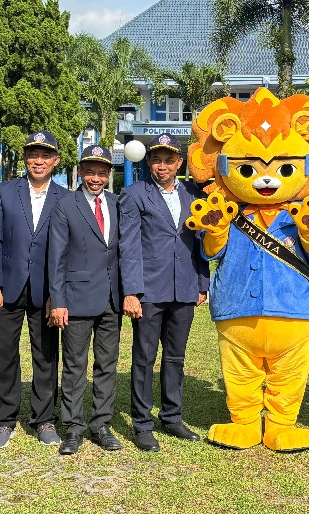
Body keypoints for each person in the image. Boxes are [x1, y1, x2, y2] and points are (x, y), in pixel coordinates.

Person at [118, 134, 210, 452]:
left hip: (183, 289)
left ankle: (171, 416)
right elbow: (128, 246)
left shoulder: (193, 194)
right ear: (149, 162)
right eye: (156, 160)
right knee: (143, 359)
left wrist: (202, 282)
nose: (162, 166)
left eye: (168, 160)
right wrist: (131, 291)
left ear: (179, 163)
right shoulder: (133, 195)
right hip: (149, 291)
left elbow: (200, 243)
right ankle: (142, 424)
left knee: (175, 358)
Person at [0, 131, 67, 448]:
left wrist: (56, 294)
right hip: (7, 289)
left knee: (46, 356)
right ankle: (4, 420)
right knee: (3, 355)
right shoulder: (4, 192)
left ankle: (44, 419)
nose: (39, 160)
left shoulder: (65, 197)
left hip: (46, 292)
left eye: (46, 155)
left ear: (55, 161)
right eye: (33, 154)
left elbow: (66, 251)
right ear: (25, 158)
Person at [49, 145, 121, 455]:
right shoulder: (66, 205)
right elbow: (56, 258)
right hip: (76, 299)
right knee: (74, 366)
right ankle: (74, 428)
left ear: (108, 175)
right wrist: (58, 300)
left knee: (107, 364)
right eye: (89, 172)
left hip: (111, 299)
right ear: (80, 172)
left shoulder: (119, 204)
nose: (95, 178)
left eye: (101, 173)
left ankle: (101, 424)